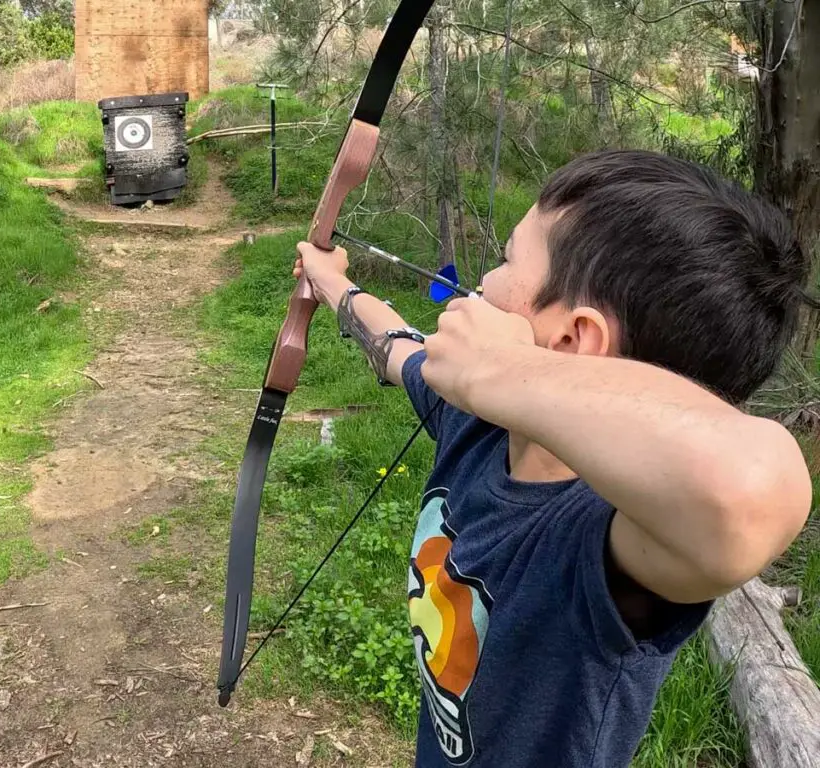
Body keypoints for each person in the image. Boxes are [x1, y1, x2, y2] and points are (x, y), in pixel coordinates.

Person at [292, 149, 815, 768]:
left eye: (509, 259)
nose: (482, 281)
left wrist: (496, 368)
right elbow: (397, 346)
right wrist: (330, 282)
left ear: (572, 339)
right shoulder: (482, 425)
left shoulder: (608, 543)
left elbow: (752, 488)